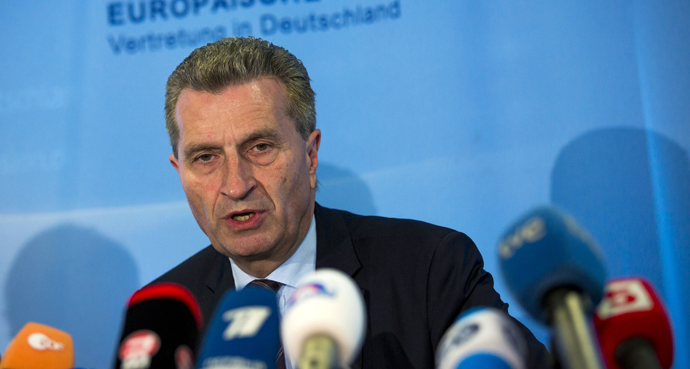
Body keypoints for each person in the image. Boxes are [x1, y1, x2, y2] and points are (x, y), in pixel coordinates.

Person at [153, 37, 551, 368]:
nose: (235, 185)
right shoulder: (164, 318)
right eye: (206, 158)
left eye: (260, 147)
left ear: (310, 156)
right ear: (178, 170)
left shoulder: (429, 269)